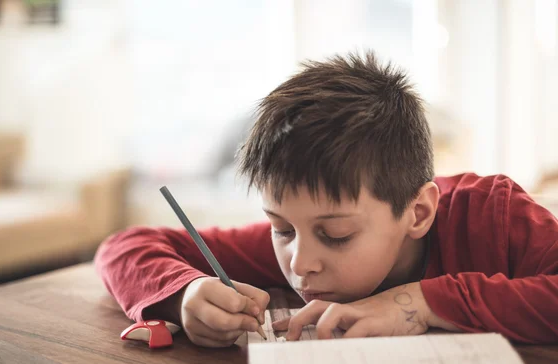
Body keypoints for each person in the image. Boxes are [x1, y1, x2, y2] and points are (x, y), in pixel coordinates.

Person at [95, 51, 558, 347]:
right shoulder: (307, 235)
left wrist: (420, 303)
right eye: (281, 229)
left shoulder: (492, 217)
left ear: (417, 213)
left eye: (336, 235)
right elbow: (124, 246)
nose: (300, 264)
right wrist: (185, 294)